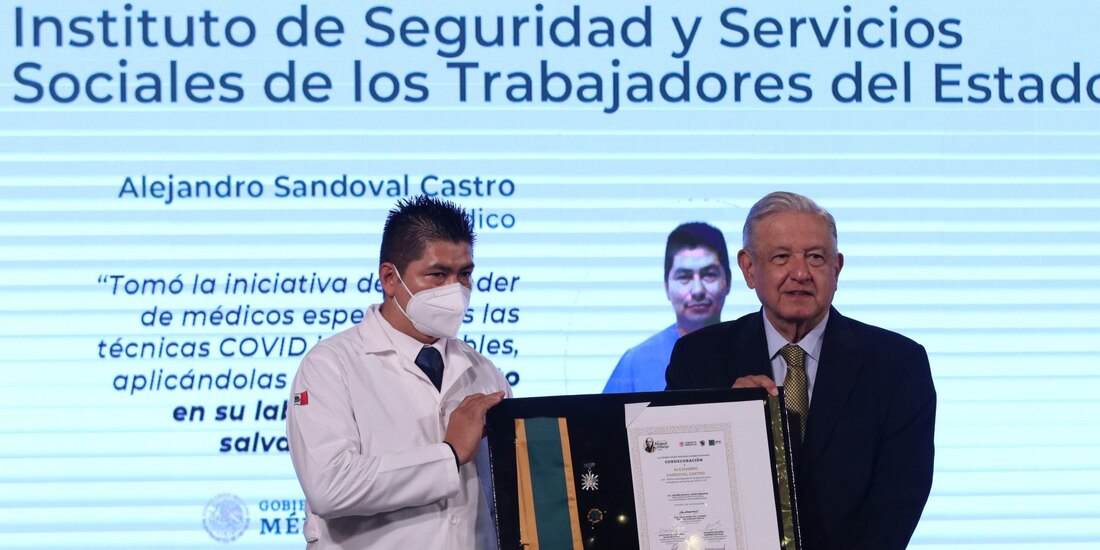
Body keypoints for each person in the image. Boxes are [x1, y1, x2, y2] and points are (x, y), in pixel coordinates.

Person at [665, 191, 936, 550]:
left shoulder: (898, 364)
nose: (800, 273)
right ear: (748, 268)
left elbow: (898, 502)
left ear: (836, 269)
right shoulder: (698, 359)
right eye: (781, 257)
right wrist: (725, 419)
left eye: (816, 257)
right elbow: (677, 485)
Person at [286, 196, 510, 549]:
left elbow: (507, 498)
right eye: (438, 275)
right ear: (390, 279)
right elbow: (329, 487)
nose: (456, 291)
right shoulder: (330, 365)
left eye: (464, 274)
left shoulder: (484, 372)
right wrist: (449, 454)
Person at [603, 222, 731, 393]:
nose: (697, 290)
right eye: (684, 277)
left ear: (728, 281)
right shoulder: (635, 363)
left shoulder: (752, 350)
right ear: (666, 287)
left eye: (709, 275)